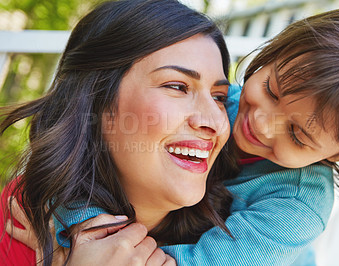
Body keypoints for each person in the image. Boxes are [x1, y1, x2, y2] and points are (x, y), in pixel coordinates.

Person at [5, 4, 339, 266]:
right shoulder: (216, 108)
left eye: (297, 134)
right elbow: (88, 167)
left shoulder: (296, 206)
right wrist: (81, 237)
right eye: (271, 90)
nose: (261, 123)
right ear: (270, 56)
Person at [0, 0, 236, 265]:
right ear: (96, 99)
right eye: (177, 86)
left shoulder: (254, 234)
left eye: (219, 97)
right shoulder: (24, 219)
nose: (215, 121)